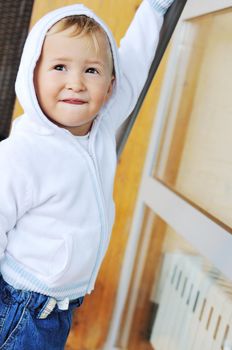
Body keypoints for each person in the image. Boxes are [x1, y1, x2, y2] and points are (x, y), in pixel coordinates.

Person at [0, 0, 175, 348]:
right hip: (23, 308)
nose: (76, 83)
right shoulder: (22, 153)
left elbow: (136, 62)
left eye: (91, 71)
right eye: (60, 67)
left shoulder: (102, 126)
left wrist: (155, 9)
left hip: (59, 309)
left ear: (110, 85)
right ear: (32, 74)